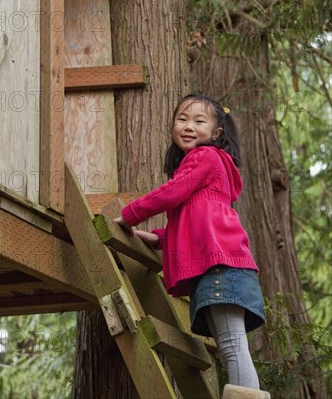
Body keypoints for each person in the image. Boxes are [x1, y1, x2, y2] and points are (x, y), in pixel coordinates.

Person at [114, 93, 266, 392]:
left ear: (216, 132)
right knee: (230, 345)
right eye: (182, 119)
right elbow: (198, 223)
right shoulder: (209, 167)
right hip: (226, 265)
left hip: (222, 267)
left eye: (199, 121)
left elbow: (172, 192)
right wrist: (159, 238)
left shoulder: (205, 156)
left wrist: (131, 215)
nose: (188, 126)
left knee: (233, 346)